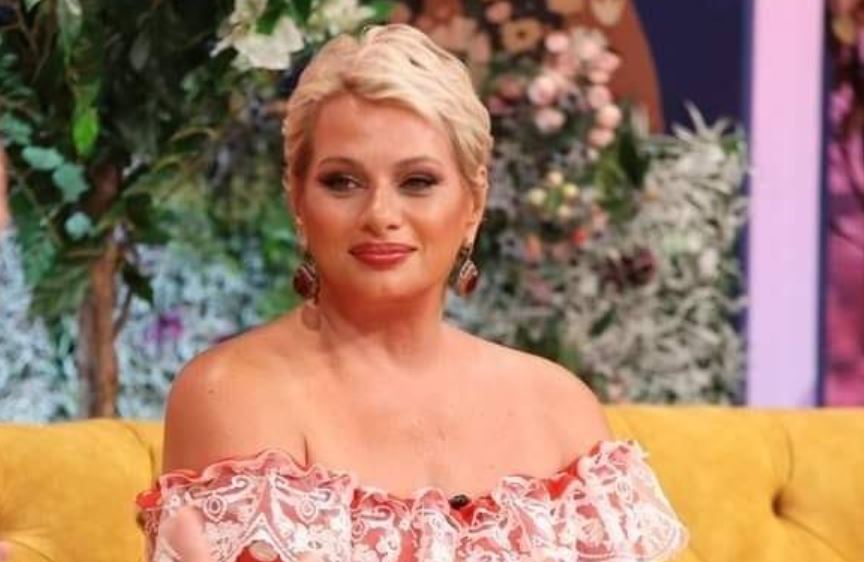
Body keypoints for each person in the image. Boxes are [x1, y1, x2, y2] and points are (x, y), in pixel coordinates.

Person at [136, 23, 688, 562]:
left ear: (473, 204)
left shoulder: (561, 410)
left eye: (417, 182)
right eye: (342, 181)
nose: (380, 214)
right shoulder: (232, 394)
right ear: (297, 201)